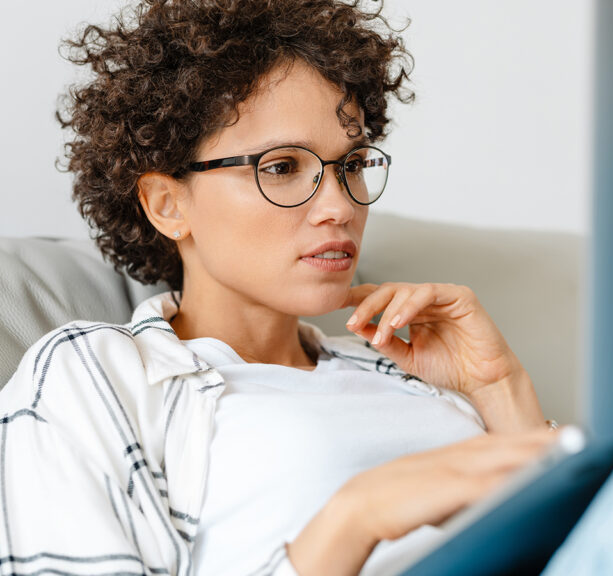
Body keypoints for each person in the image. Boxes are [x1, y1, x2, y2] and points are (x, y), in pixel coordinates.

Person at [0, 1, 557, 574]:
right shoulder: (96, 373)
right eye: (282, 167)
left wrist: (497, 386)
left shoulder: (403, 369)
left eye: (352, 164)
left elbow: (570, 533)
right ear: (168, 204)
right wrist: (353, 521)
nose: (340, 206)